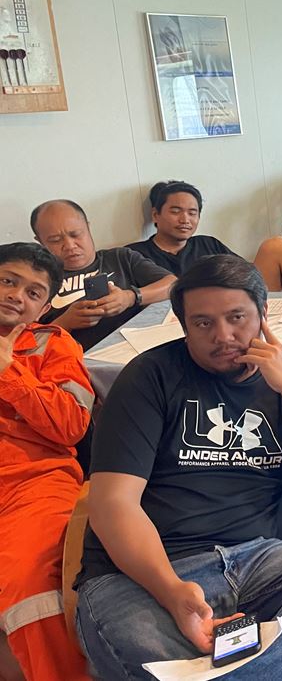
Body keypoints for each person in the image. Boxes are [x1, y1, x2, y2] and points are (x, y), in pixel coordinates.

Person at [74, 255, 282, 679]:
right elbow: (113, 505)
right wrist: (172, 591)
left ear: (264, 314)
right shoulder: (149, 377)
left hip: (258, 560)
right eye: (203, 323)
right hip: (145, 572)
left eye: (237, 317)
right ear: (183, 325)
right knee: (148, 653)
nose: (224, 336)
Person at [0, 243, 93, 681]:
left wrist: (9, 373)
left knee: (31, 582)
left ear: (45, 306)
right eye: (7, 281)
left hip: (35, 483)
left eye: (33, 292)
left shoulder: (54, 344)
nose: (16, 295)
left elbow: (72, 425)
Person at [128, 180, 282, 291]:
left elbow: (248, 275)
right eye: (175, 211)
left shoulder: (207, 244)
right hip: (183, 324)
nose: (185, 219)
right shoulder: (134, 256)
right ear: (155, 215)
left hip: (236, 312)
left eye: (192, 213)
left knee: (276, 245)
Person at [31, 199, 176, 350]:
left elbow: (173, 284)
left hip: (141, 348)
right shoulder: (36, 281)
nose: (70, 245)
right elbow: (26, 344)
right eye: (55, 240)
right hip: (76, 358)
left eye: (76, 234)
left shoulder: (120, 258)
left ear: (88, 227)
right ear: (40, 241)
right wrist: (65, 323)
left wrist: (130, 297)